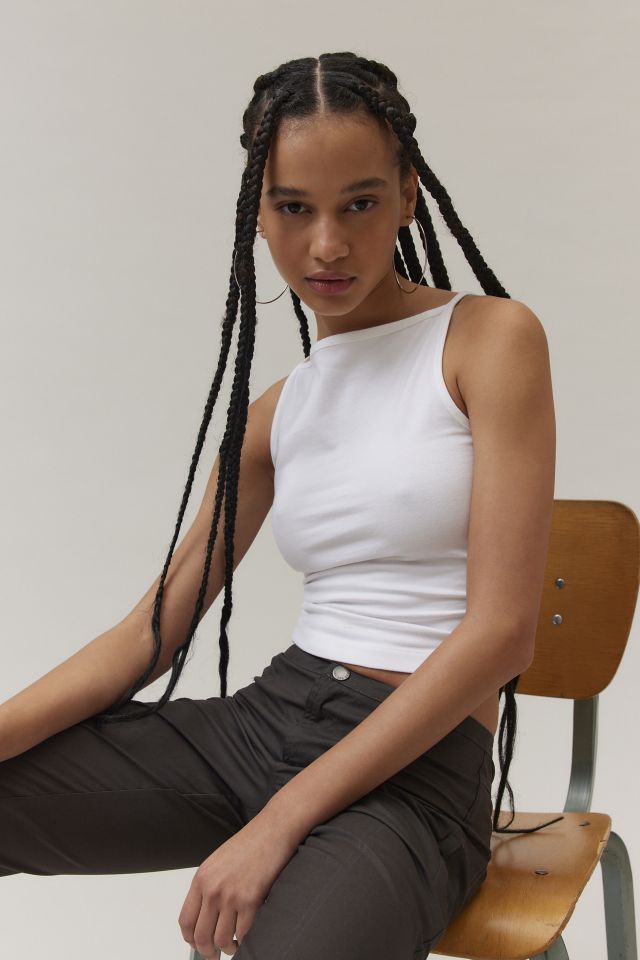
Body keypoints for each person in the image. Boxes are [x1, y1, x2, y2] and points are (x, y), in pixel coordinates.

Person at [0, 52, 557, 959]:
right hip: (268, 721)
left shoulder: (488, 341)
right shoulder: (276, 412)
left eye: (359, 204)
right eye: (294, 208)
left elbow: (501, 634)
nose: (327, 245)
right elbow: (151, 630)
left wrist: (279, 822)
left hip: (413, 772)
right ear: (256, 214)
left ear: (408, 196)